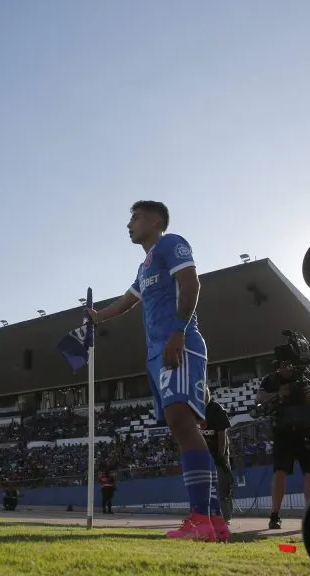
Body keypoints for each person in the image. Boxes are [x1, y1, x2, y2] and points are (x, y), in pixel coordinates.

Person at [88, 200, 229, 542]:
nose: (129, 225)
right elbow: (126, 302)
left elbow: (192, 284)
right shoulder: (144, 267)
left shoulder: (171, 243)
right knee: (182, 427)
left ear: (155, 221)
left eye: (135, 218)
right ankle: (214, 521)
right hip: (156, 354)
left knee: (183, 423)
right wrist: (97, 316)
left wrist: (179, 331)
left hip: (178, 343)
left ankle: (200, 518)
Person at [256, 359, 310, 529]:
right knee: (280, 471)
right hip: (283, 431)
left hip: (306, 429)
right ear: (278, 367)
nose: (288, 367)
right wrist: (279, 393)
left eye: (290, 364)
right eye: (284, 365)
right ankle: (275, 515)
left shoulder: (304, 379)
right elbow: (258, 399)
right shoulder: (270, 380)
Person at [200, 388, 234, 524]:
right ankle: (206, 516)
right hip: (203, 455)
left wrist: (221, 454)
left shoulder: (217, 409)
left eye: (206, 393)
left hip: (218, 453)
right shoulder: (195, 410)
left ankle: (225, 517)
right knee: (204, 487)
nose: (205, 396)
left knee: (223, 485)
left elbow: (222, 433)